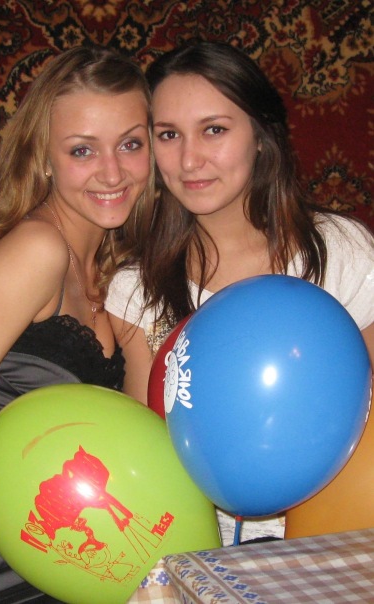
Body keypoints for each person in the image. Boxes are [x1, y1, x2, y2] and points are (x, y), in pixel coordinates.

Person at [105, 41, 374, 544]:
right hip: (207, 550)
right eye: (168, 134)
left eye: (214, 129)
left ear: (261, 136)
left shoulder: (342, 250)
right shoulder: (136, 290)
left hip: (337, 538)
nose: (189, 159)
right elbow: (151, 466)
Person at [0, 45, 153, 602]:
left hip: (62, 558)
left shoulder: (114, 272)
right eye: (82, 150)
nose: (112, 172)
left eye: (131, 144)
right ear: (44, 158)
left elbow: (139, 443)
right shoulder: (37, 251)